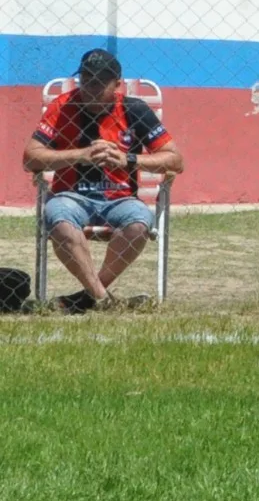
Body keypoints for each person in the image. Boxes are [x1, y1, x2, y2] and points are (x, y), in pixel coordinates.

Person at [22, 49, 184, 313]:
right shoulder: (63, 106)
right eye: (86, 79)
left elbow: (175, 160)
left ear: (117, 84)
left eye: (99, 82)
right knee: (59, 220)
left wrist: (128, 160)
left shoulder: (135, 110)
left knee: (138, 224)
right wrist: (80, 155)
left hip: (120, 198)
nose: (91, 88)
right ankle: (102, 299)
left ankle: (88, 297)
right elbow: (31, 158)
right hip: (71, 196)